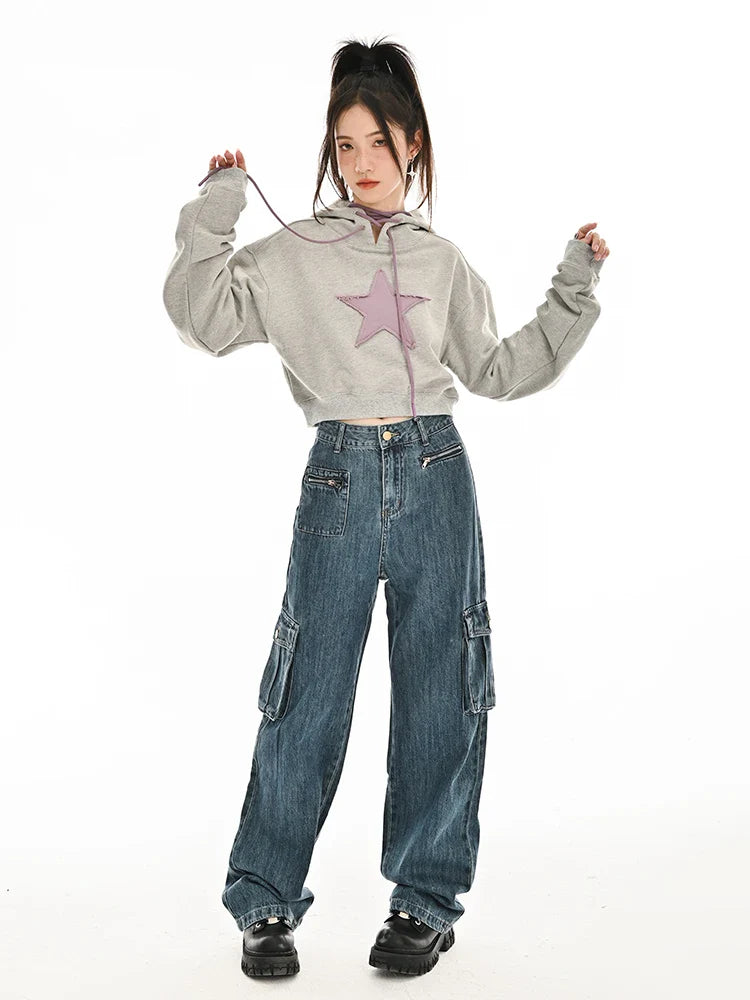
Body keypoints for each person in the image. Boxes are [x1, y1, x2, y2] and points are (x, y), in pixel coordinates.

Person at [162, 35, 609, 980]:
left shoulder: (442, 263)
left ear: (413, 145)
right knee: (306, 691)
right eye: (345, 144)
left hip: (438, 471)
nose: (360, 162)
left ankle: (425, 902)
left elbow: (499, 369)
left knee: (446, 686)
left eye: (377, 142)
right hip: (338, 477)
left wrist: (573, 286)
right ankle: (265, 902)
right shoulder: (294, 253)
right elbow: (203, 316)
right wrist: (218, 202)